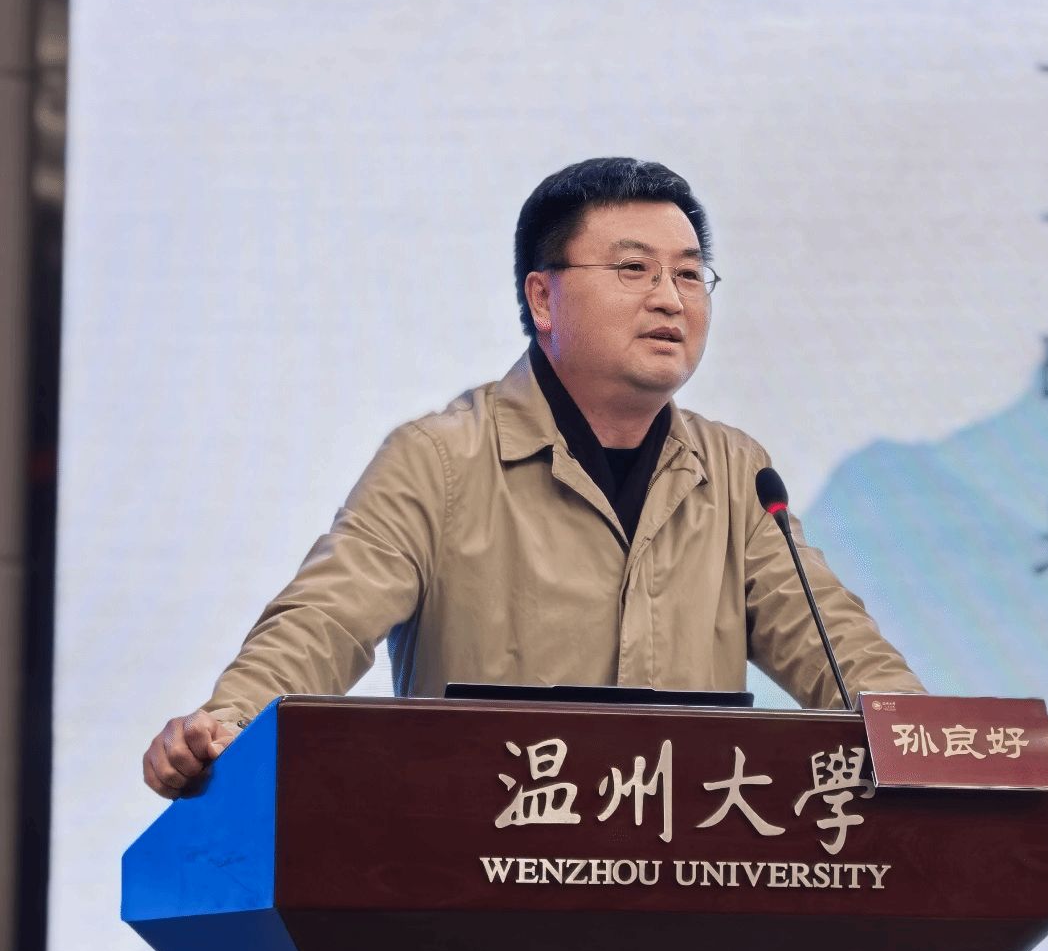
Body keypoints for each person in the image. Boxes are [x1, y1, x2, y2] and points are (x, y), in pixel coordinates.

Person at [143, 158, 923, 797]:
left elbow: (835, 643)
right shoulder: (440, 460)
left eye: (690, 275)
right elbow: (326, 621)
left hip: (686, 880)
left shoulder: (735, 473)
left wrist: (932, 741)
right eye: (633, 269)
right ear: (542, 297)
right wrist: (230, 723)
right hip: (483, 872)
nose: (669, 299)